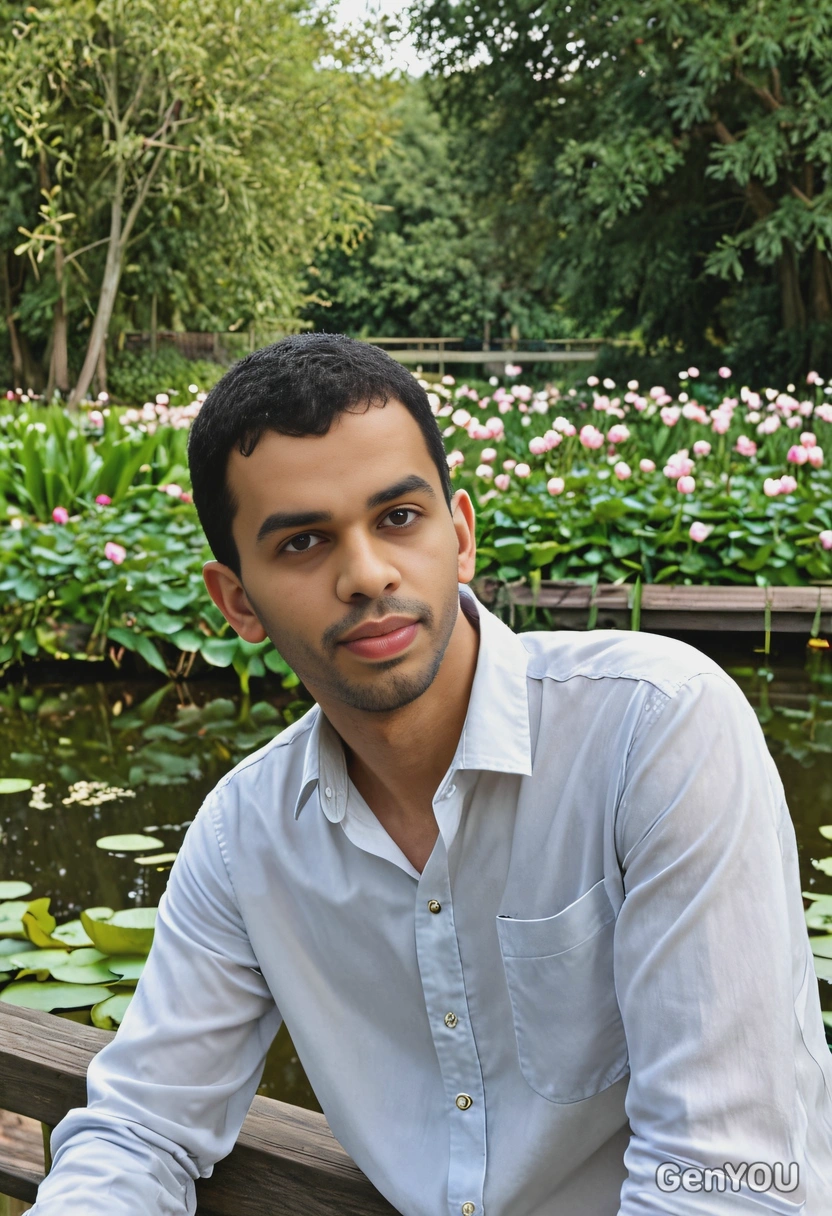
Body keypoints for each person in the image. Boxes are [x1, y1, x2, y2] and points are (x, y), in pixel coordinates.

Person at [31, 334, 832, 1215]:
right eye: (303, 542)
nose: (367, 574)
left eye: (399, 518)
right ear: (238, 602)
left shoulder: (656, 729)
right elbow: (140, 1127)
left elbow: (724, 1179)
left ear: (461, 535)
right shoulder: (243, 836)